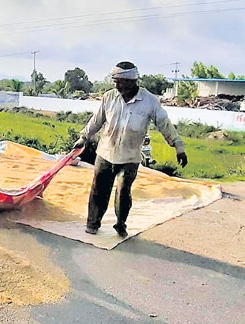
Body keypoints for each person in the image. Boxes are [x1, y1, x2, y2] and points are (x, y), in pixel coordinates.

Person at [73, 61, 188, 237]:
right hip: (105, 153)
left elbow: (165, 125)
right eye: (115, 81)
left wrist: (178, 147)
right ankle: (93, 223)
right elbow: (96, 121)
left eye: (119, 81)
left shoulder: (149, 101)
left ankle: (120, 223)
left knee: (123, 191)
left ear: (131, 81)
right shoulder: (109, 97)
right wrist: (83, 138)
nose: (116, 85)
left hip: (130, 157)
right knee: (98, 190)